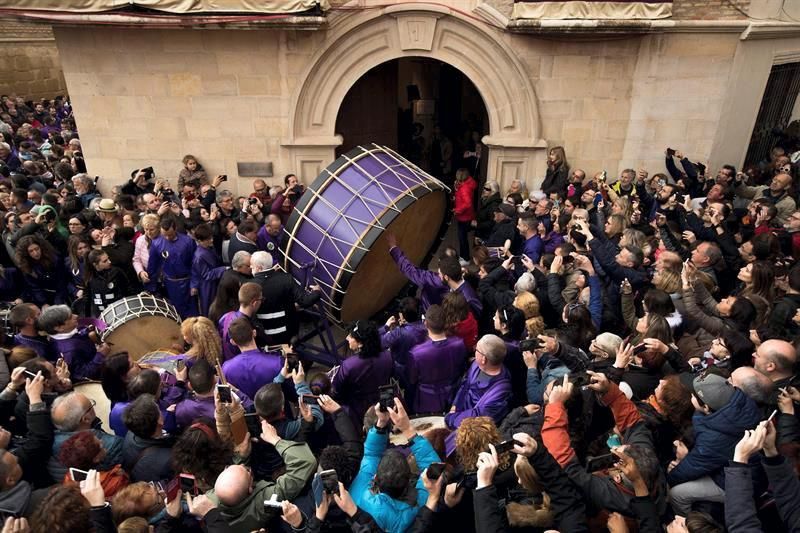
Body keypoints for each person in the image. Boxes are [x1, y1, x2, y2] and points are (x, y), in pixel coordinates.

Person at [349, 397, 440, 533]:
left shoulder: (357, 493)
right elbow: (432, 466)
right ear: (409, 480)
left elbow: (371, 455)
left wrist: (381, 423)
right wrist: (407, 428)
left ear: (375, 477)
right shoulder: (419, 508)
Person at [404, 304, 466, 414]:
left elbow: (412, 380)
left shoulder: (416, 353)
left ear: (425, 323)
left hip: (427, 400)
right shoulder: (459, 343)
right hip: (453, 395)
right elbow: (462, 367)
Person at [251, 251, 321, 345]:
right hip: (288, 334)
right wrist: (316, 292)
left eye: (252, 265)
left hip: (263, 336)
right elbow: (305, 301)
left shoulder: (249, 285)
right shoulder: (286, 279)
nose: (250, 267)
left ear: (259, 268)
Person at [331, 320, 393, 425]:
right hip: (383, 403)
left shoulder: (349, 365)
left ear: (360, 343)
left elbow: (337, 390)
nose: (347, 338)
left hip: (358, 408)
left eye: (351, 336)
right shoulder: (387, 356)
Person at [445, 334, 511, 429]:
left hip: (471, 428)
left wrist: (450, 419)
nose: (474, 350)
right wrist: (455, 405)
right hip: (459, 414)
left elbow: (478, 415)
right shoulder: (477, 365)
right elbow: (465, 385)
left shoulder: (501, 391)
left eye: (477, 349)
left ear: (484, 359)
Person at [145, 216, 197, 319]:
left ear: (175, 228)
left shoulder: (188, 241)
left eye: (170, 235)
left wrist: (194, 284)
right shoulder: (156, 244)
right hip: (171, 283)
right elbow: (152, 266)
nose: (168, 238)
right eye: (165, 235)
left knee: (192, 312)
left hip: (188, 281)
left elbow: (195, 264)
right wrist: (151, 287)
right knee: (176, 312)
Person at [37, 305, 107, 381]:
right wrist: (100, 355)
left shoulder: (64, 333)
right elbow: (85, 375)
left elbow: (76, 335)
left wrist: (86, 331)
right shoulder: (69, 352)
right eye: (70, 317)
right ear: (59, 328)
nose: (76, 316)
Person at [221, 318, 283, 400]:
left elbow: (225, 399)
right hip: (276, 410)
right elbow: (293, 393)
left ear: (233, 342)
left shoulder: (226, 369)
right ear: (254, 333)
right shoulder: (277, 362)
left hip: (243, 412)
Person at [190, 223, 227, 317]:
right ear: (199, 241)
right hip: (207, 287)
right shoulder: (199, 257)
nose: (212, 240)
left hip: (215, 282)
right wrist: (223, 269)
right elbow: (207, 275)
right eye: (208, 239)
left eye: (211, 237)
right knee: (209, 309)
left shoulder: (209, 247)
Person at [453, 168, 477, 261]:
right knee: (462, 237)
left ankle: (465, 258)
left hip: (464, 217)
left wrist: (457, 210)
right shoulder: (468, 184)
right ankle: (464, 256)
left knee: (462, 238)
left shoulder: (464, 188)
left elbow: (467, 203)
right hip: (468, 215)